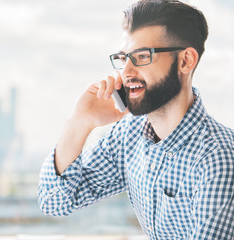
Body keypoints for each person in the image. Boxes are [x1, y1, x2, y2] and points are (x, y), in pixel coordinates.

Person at [38, 0, 234, 239]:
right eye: (123, 58)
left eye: (142, 56)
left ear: (185, 61)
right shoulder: (129, 134)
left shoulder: (218, 157)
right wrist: (80, 121)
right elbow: (55, 202)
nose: (127, 72)